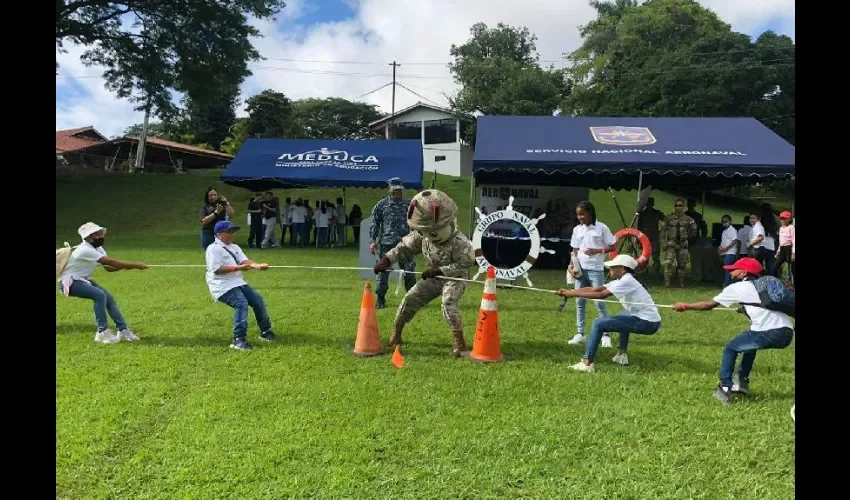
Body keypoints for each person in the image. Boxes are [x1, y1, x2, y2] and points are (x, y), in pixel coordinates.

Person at [672, 258, 794, 404]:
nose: (730, 272)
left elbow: (708, 305)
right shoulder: (764, 287)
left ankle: (724, 387)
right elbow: (763, 305)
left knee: (731, 348)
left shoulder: (737, 288)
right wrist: (744, 308)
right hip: (786, 332)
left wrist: (685, 306)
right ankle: (741, 382)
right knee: (749, 346)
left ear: (743, 273)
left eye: (734, 270)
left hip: (770, 332)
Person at [373, 189, 475, 357]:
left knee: (448, 301)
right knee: (411, 297)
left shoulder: (460, 243)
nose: (426, 235)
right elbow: (404, 247)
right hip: (432, 276)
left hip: (453, 278)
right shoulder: (423, 235)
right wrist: (386, 259)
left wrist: (440, 270)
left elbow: (465, 263)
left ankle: (459, 341)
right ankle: (396, 332)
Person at [558, 254, 662, 372]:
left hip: (648, 323)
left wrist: (574, 294)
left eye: (613, 267)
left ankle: (587, 364)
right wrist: (570, 291)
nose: (610, 269)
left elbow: (602, 295)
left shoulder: (626, 281)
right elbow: (597, 289)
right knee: (623, 315)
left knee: (598, 323)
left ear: (622, 268)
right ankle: (621, 355)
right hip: (648, 320)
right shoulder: (622, 280)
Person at [58, 222, 148, 343]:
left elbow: (108, 267)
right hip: (69, 282)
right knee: (99, 295)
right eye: (96, 235)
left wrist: (129, 267)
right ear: (87, 237)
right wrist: (135, 265)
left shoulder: (97, 248)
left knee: (108, 299)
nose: (100, 236)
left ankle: (123, 330)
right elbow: (111, 262)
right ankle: (102, 332)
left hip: (82, 280)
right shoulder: (84, 249)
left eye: (100, 233)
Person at [204, 220, 277, 351]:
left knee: (258, 301)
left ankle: (265, 332)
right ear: (219, 234)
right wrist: (238, 268)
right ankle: (238, 340)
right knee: (241, 303)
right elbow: (216, 269)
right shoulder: (213, 249)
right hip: (221, 285)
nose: (232, 234)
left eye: (233, 231)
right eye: (229, 232)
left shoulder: (235, 247)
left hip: (237, 282)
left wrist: (258, 266)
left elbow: (245, 261)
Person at [566, 201, 617, 348]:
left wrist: (597, 251)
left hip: (595, 269)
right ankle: (580, 333)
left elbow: (613, 246)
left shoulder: (602, 228)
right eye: (578, 214)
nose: (580, 217)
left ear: (590, 213)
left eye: (582, 214)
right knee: (579, 301)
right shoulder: (577, 229)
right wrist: (572, 266)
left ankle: (606, 334)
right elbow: (575, 250)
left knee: (599, 301)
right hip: (580, 270)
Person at [369, 177, 416, 309]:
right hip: (386, 244)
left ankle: (412, 299)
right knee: (383, 272)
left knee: (409, 271)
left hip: (405, 244)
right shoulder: (382, 205)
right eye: (394, 190)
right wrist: (372, 241)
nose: (397, 192)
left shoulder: (409, 204)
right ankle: (381, 298)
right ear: (389, 190)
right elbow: (374, 223)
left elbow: (416, 222)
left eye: (399, 190)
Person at [661, 199, 697, 287]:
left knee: (682, 265)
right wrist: (663, 243)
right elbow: (662, 231)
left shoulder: (688, 219)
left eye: (680, 205)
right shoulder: (668, 218)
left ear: (683, 207)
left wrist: (688, 237)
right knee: (668, 262)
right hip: (671, 243)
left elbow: (694, 229)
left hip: (682, 244)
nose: (678, 207)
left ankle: (681, 283)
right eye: (676, 205)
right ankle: (667, 283)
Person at [637, 197, 665, 276]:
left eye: (650, 204)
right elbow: (639, 227)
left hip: (654, 236)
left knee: (656, 255)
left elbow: (665, 219)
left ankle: (657, 271)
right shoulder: (642, 214)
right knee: (645, 255)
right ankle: (645, 272)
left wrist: (662, 229)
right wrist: (638, 238)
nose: (649, 205)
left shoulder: (656, 213)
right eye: (649, 203)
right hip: (645, 237)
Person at [718, 214, 739, 287]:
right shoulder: (725, 231)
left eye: (726, 221)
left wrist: (726, 248)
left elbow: (735, 241)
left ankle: (727, 283)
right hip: (724, 252)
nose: (724, 223)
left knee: (728, 268)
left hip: (730, 252)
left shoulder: (732, 230)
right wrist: (720, 248)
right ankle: (729, 283)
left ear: (730, 221)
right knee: (727, 268)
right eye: (723, 221)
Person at [774, 211, 795, 282]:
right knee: (775, 267)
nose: (782, 220)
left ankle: (792, 284)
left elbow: (794, 239)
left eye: (784, 219)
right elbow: (781, 242)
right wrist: (778, 252)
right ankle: (778, 282)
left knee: (792, 269)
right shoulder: (781, 228)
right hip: (782, 249)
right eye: (781, 219)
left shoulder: (791, 227)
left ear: (789, 219)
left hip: (789, 248)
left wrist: (793, 253)